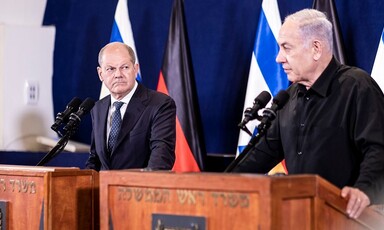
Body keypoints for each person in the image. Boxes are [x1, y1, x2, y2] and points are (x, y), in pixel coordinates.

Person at [231, 9, 384, 219]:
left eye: (286, 48)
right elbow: (260, 156)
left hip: (350, 218)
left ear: (316, 48)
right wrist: (220, 184)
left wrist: (363, 190)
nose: (278, 58)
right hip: (300, 217)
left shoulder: (357, 87)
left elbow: (379, 148)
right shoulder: (288, 98)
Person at [85, 42, 176, 171]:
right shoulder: (98, 108)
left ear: (135, 69)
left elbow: (161, 159)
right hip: (104, 189)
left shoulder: (160, 104)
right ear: (100, 74)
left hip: (139, 189)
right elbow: (95, 159)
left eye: (125, 67)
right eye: (110, 69)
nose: (118, 74)